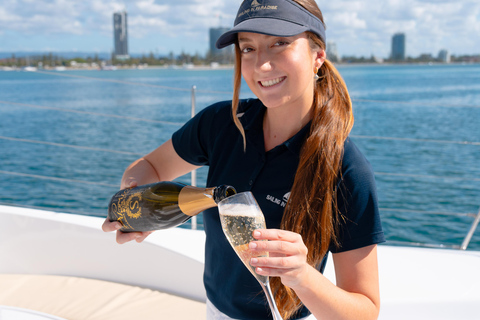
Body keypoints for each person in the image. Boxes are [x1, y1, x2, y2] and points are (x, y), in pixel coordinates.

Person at [102, 0, 385, 319]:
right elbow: (150, 167)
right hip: (214, 309)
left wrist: (302, 276)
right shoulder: (221, 123)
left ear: (317, 56)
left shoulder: (346, 168)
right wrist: (138, 205)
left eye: (280, 43)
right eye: (248, 48)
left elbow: (365, 310)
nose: (261, 64)